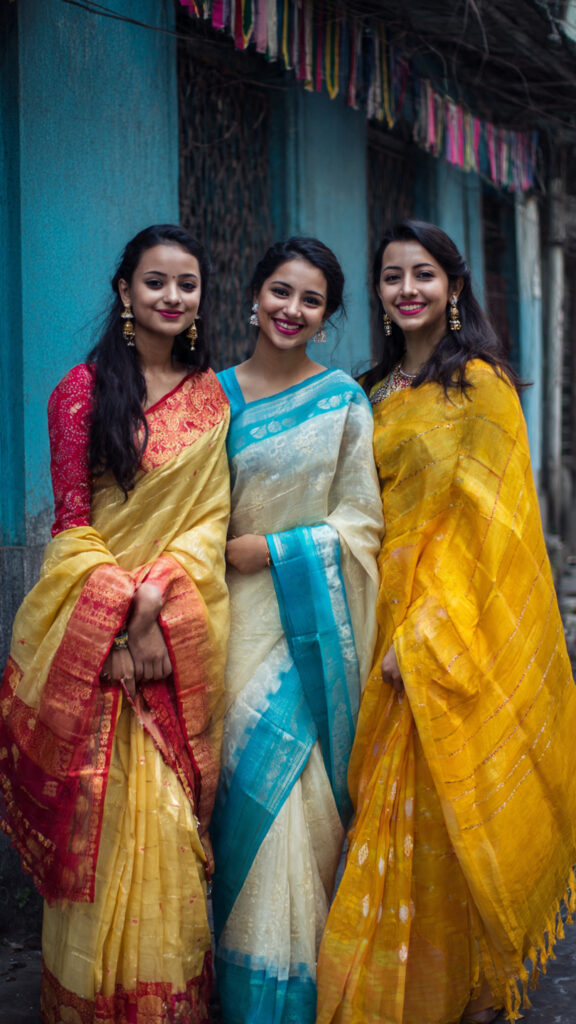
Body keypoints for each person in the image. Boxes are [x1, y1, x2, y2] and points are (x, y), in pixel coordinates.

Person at [315, 220, 576, 1024]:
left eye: (422, 275)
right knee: (377, 806)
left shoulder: (483, 389)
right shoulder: (374, 389)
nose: (407, 291)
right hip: (368, 617)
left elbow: (490, 526)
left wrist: (425, 634)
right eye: (392, 277)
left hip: (440, 634)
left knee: (437, 803)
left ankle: (438, 991)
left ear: (454, 287)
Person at [0, 225, 230, 1023]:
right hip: (97, 643)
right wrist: (117, 615)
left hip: (166, 635)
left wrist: (151, 607)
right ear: (124, 292)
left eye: (187, 285)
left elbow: (209, 524)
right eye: (156, 282)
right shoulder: (82, 390)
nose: (173, 297)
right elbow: (70, 523)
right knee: (98, 830)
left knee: (167, 829)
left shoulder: (211, 400)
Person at [210, 237, 383, 1024]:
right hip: (225, 636)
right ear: (254, 295)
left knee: (293, 819)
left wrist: (273, 549)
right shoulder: (211, 400)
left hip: (314, 640)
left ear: (327, 314)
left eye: (311, 300)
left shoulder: (343, 398)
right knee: (240, 812)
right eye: (281, 292)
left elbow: (361, 525)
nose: (292, 310)